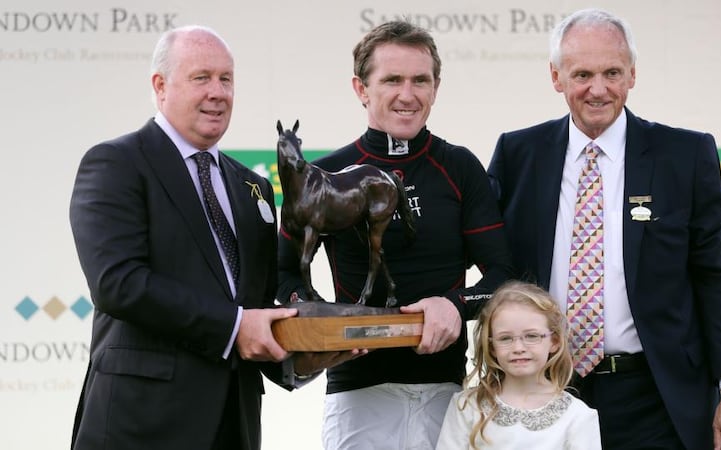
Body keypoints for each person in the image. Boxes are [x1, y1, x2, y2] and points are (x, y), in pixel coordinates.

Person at [487, 8, 721, 450]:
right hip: (543, 389)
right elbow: (491, 263)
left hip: (656, 398)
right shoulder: (519, 154)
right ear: (556, 77)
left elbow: (715, 277)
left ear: (632, 74)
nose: (598, 89)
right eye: (582, 74)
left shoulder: (685, 155)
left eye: (612, 72)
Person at [276, 20, 514, 449]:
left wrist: (455, 306)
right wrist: (318, 321)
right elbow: (281, 274)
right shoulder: (323, 173)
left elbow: (503, 274)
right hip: (356, 393)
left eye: (420, 80)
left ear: (436, 87)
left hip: (448, 394)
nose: (408, 94)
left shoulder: (460, 167)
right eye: (391, 80)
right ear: (361, 88)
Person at [69, 25, 298, 450]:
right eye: (201, 78)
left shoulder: (255, 187)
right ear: (160, 86)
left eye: (226, 79)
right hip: (140, 425)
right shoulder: (117, 163)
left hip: (235, 424)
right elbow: (118, 283)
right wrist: (234, 327)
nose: (218, 92)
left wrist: (311, 346)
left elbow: (258, 306)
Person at [436, 281, 600, 449]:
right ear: (491, 346)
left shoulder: (578, 416)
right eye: (505, 338)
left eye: (531, 336)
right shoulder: (467, 406)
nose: (518, 348)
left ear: (555, 340)